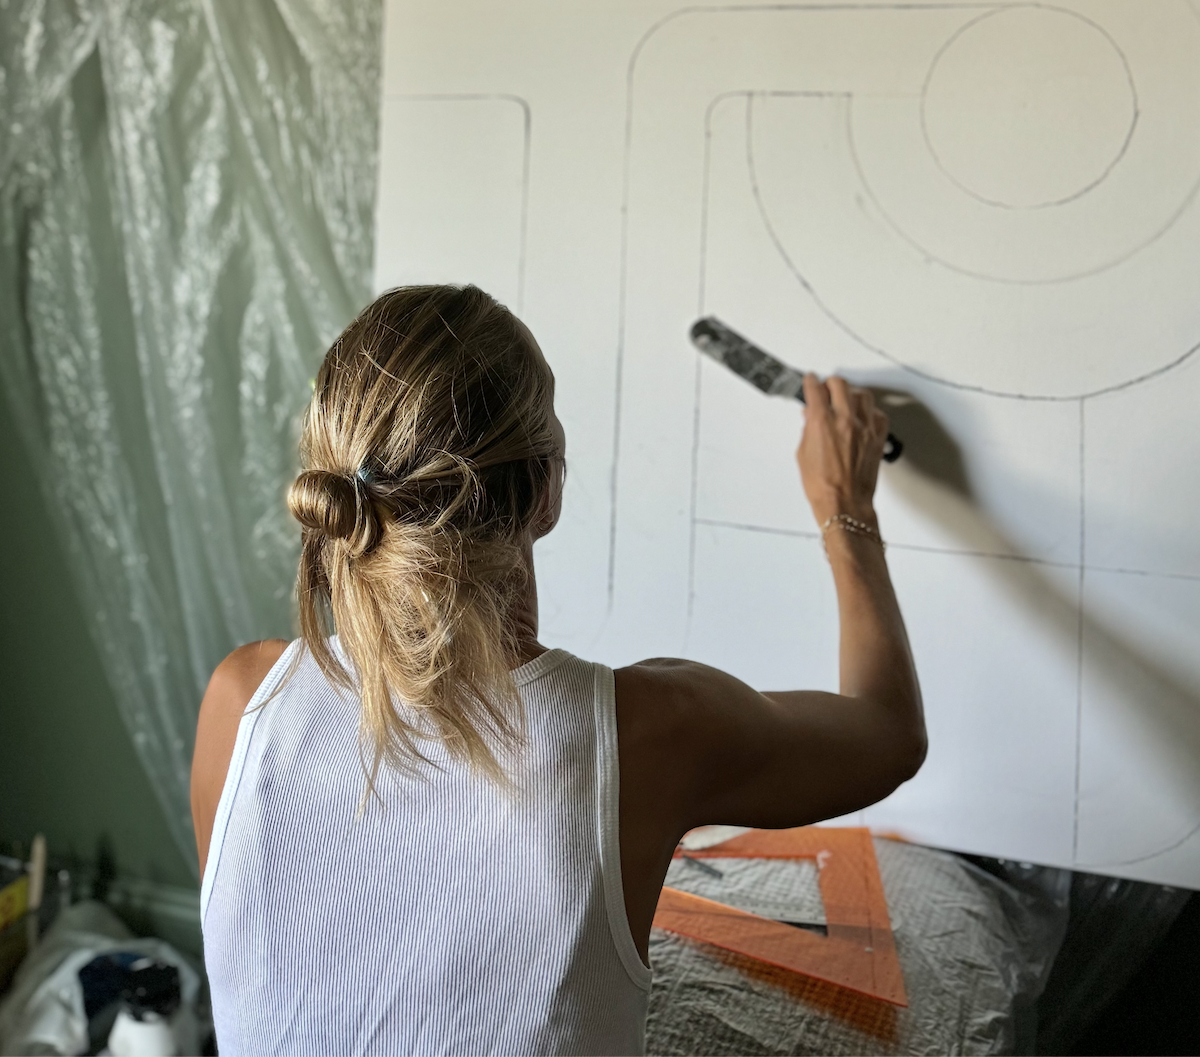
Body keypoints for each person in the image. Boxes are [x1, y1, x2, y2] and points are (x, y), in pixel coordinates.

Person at [192, 284, 925, 1056]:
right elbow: (888, 733)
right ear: (546, 492)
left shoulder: (243, 701)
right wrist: (846, 507)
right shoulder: (646, 734)